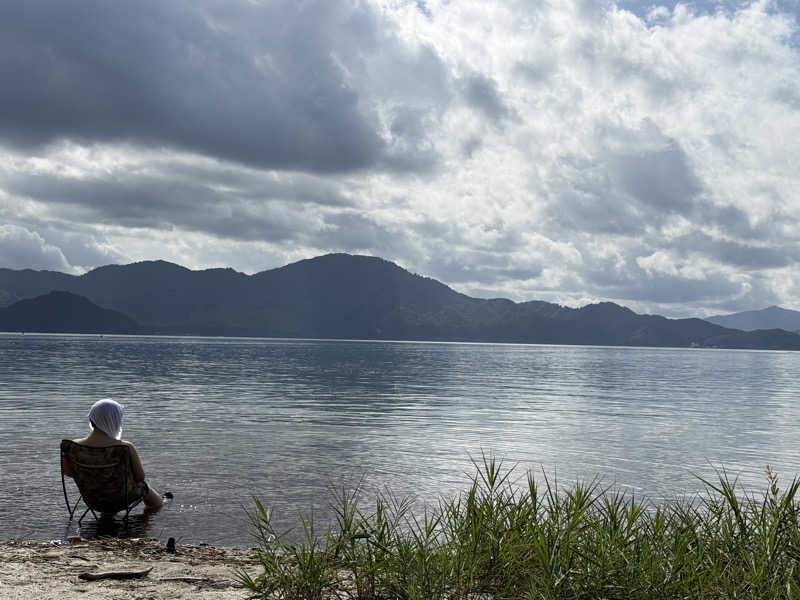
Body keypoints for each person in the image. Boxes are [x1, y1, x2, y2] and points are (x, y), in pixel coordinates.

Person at [62, 399, 166, 512]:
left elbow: (68, 472)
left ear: (91, 420)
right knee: (145, 487)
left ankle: (106, 519)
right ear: (116, 421)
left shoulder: (72, 446)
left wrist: (94, 476)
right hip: (121, 500)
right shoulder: (125, 447)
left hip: (93, 500)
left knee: (103, 488)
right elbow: (140, 477)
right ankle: (155, 508)